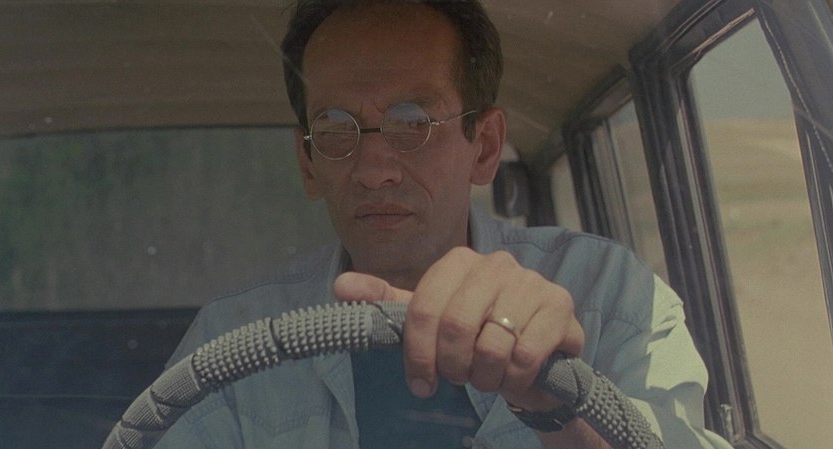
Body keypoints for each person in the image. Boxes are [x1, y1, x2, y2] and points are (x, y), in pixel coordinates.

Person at [156, 1, 733, 448]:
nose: (375, 170)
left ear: (485, 147)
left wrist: (556, 398)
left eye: (414, 122)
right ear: (308, 162)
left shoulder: (609, 296)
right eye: (334, 128)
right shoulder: (232, 343)